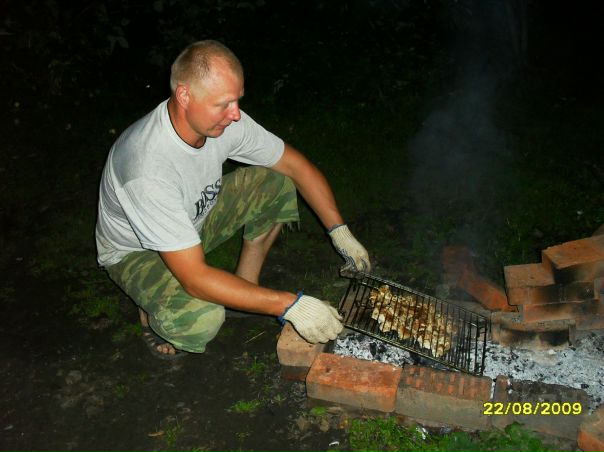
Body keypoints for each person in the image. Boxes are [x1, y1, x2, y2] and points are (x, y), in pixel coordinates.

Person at [95, 40, 371, 359]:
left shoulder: (224, 122)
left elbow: (295, 166)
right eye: (224, 104)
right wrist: (289, 305)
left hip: (192, 218)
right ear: (184, 96)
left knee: (276, 182)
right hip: (136, 251)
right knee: (203, 317)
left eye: (237, 100)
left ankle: (245, 288)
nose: (235, 114)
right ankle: (150, 312)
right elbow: (195, 279)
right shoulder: (146, 167)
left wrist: (340, 232)